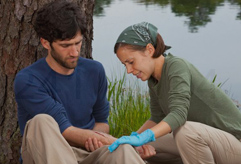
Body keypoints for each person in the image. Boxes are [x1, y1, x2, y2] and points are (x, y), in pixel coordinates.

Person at [14, 1, 149, 164]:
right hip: (48, 154)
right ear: (45, 43)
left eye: (78, 43)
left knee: (124, 151)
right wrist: (127, 142)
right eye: (66, 46)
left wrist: (96, 139)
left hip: (87, 153)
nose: (74, 52)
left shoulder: (94, 71)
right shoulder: (28, 80)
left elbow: (101, 122)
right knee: (40, 122)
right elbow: (65, 131)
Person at [108, 22, 241, 164]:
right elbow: (157, 118)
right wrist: (134, 139)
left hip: (235, 142)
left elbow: (179, 114)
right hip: (209, 142)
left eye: (131, 62)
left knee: (185, 131)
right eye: (125, 65)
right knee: (144, 146)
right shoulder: (153, 80)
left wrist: (143, 137)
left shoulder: (176, 66)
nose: (128, 70)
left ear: (149, 49)